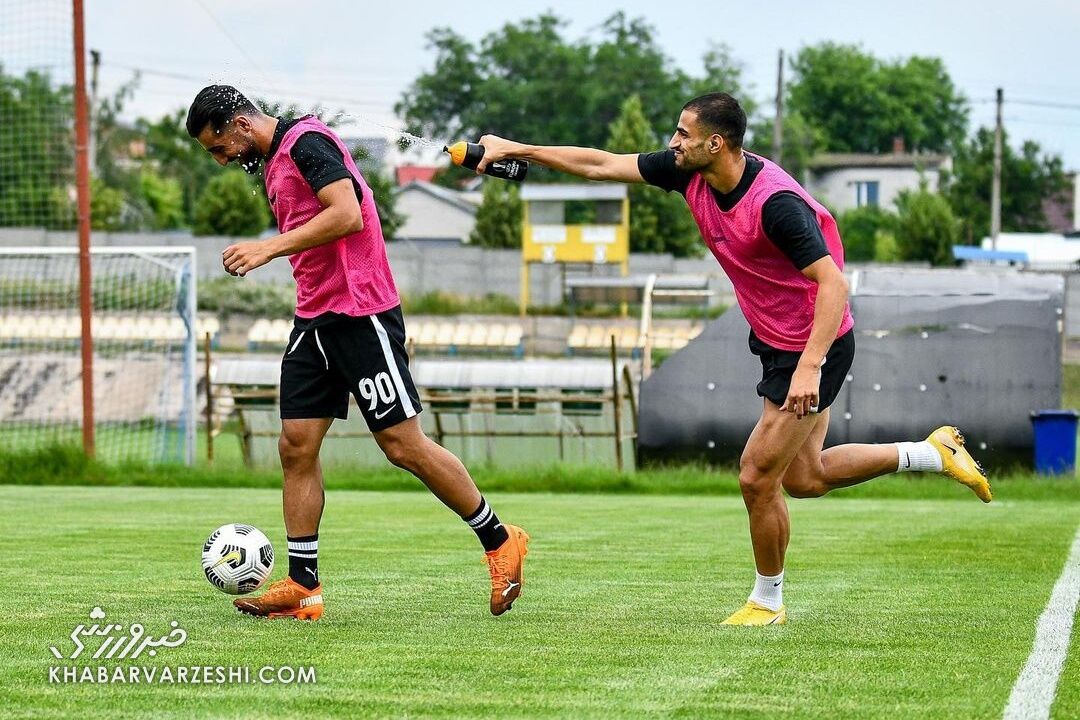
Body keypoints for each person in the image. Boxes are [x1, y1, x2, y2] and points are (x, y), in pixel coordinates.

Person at [475, 92, 991, 626]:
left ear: (714, 144)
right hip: (777, 341)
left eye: (683, 133)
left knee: (755, 478)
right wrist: (517, 148)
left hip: (815, 345)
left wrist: (809, 367)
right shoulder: (688, 173)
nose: (673, 143)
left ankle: (767, 602)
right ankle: (932, 454)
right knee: (806, 478)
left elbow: (834, 283)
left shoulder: (775, 205)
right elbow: (599, 164)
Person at [186, 85, 529, 621]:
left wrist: (266, 247)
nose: (222, 159)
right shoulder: (276, 159)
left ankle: (500, 539)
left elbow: (347, 214)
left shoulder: (306, 143)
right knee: (295, 445)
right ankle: (304, 585)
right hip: (314, 318)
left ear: (239, 124)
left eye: (218, 147)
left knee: (401, 445)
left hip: (360, 313)